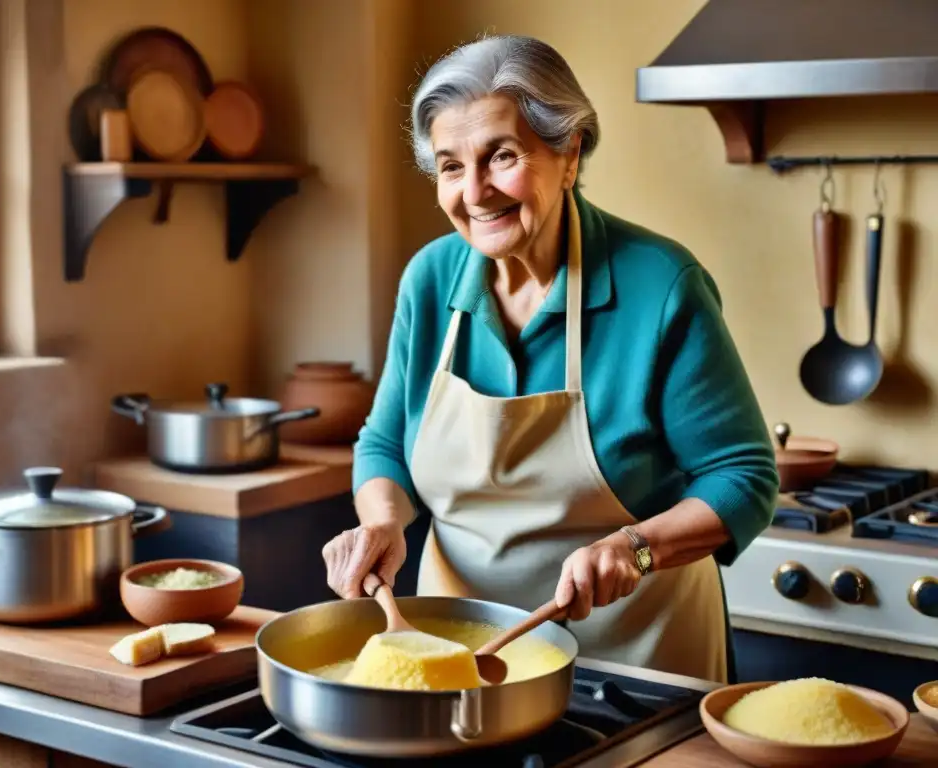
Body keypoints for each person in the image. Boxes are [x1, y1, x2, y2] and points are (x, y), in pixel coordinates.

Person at [321, 34, 779, 683]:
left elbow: (743, 477)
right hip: (460, 652)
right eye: (451, 166)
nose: (475, 192)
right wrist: (383, 523)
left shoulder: (661, 285)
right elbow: (385, 443)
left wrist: (637, 549)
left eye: (500, 156)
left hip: (637, 661)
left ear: (569, 152)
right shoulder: (430, 279)